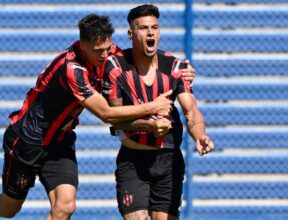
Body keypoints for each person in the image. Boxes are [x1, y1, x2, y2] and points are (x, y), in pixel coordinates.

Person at [0, 14, 181, 219]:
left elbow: (142, 60)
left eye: (107, 48)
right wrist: (153, 106)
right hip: (29, 140)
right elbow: (106, 114)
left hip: (60, 142)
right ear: (83, 45)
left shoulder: (110, 53)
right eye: (98, 51)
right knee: (9, 209)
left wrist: (182, 70)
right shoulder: (71, 69)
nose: (105, 55)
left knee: (65, 206)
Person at [102, 4, 214, 220]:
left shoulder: (174, 67)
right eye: (143, 28)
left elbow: (191, 112)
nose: (150, 32)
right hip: (133, 159)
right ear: (130, 33)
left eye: (154, 27)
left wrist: (200, 135)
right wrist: (149, 125)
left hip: (168, 159)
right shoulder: (116, 67)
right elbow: (115, 118)